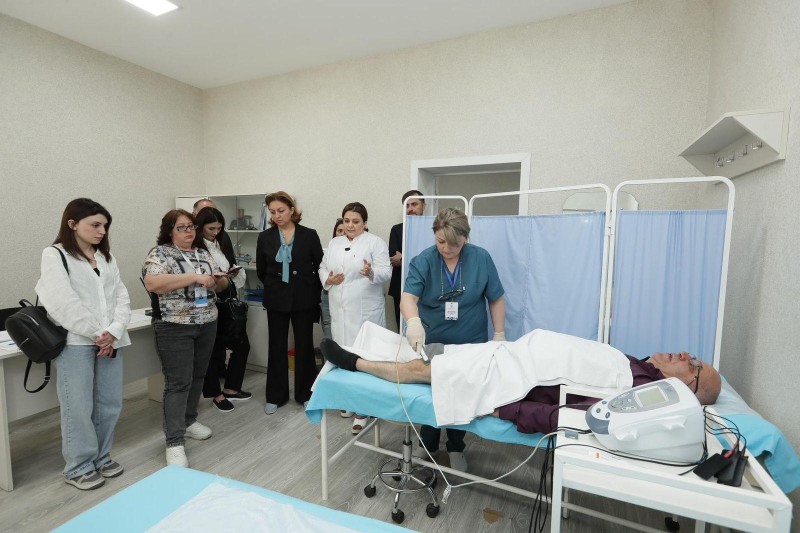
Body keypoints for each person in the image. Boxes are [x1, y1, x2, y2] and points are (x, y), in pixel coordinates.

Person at [319, 328, 723, 435]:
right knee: (434, 354)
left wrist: (509, 409)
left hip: (508, 380)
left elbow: (568, 417)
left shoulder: (637, 394)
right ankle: (370, 347)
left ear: (688, 388)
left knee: (423, 371)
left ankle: (354, 362)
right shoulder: (637, 366)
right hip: (512, 355)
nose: (684, 354)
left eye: (693, 364)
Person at [399, 207, 506, 471]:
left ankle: (456, 446)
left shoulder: (481, 258)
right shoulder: (424, 261)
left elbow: (496, 298)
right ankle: (428, 444)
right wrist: (413, 322)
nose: (446, 248)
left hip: (471, 339)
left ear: (465, 238)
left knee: (463, 394)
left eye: (454, 243)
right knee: (432, 393)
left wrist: (499, 334)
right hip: (434, 339)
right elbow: (408, 298)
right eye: (440, 242)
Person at [35, 198, 131, 490]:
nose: (102, 231)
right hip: (76, 342)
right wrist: (97, 334)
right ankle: (78, 466)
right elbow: (62, 302)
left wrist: (113, 331)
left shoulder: (106, 257)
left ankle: (101, 457)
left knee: (109, 403)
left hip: (110, 341)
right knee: (77, 406)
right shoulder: (55, 255)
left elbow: (122, 297)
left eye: (105, 226)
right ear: (72, 224)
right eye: (95, 225)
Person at [142, 209, 230, 468]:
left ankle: (189, 420)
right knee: (178, 383)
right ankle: (174, 441)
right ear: (170, 231)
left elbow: (222, 286)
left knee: (198, 376)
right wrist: (193, 277)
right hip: (174, 325)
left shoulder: (203, 253)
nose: (189, 231)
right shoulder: (160, 253)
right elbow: (152, 283)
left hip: (207, 322)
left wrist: (218, 280)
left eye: (191, 226)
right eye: (181, 227)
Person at [319, 202, 391, 433]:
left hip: (364, 312)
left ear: (365, 223)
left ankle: (363, 409)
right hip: (339, 309)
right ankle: (348, 401)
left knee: (364, 357)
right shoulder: (335, 243)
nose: (350, 225)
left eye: (356, 221)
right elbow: (322, 267)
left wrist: (370, 272)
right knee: (343, 355)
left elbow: (386, 271)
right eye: (346, 221)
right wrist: (328, 279)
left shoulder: (375, 242)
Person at [256, 191, 324, 415]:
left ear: (292, 210)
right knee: (276, 346)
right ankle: (276, 396)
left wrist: (310, 290)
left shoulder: (309, 235)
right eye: (273, 212)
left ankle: (306, 394)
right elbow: (261, 270)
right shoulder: (265, 237)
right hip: (276, 298)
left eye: (281, 211)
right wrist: (276, 285)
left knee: (304, 346)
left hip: (304, 298)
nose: (277, 215)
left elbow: (320, 266)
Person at [196, 207, 252, 412]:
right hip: (208, 300)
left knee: (242, 345)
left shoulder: (223, 240)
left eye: (219, 228)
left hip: (228, 297)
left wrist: (231, 274)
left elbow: (232, 264)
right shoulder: (196, 245)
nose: (215, 232)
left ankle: (231, 388)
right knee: (212, 349)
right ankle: (216, 394)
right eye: (211, 228)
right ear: (200, 227)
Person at [388, 190, 425, 331]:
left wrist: (404, 257)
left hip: (427, 287)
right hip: (401, 287)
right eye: (407, 206)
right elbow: (394, 259)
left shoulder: (432, 228)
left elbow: (435, 258)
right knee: (403, 331)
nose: (410, 209)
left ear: (424, 206)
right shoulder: (397, 230)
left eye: (414, 204)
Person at [321, 218, 345, 340]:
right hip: (328, 295)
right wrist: (328, 280)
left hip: (349, 298)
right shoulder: (328, 250)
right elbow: (322, 268)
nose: (342, 234)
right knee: (329, 333)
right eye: (339, 231)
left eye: (345, 231)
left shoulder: (363, 250)